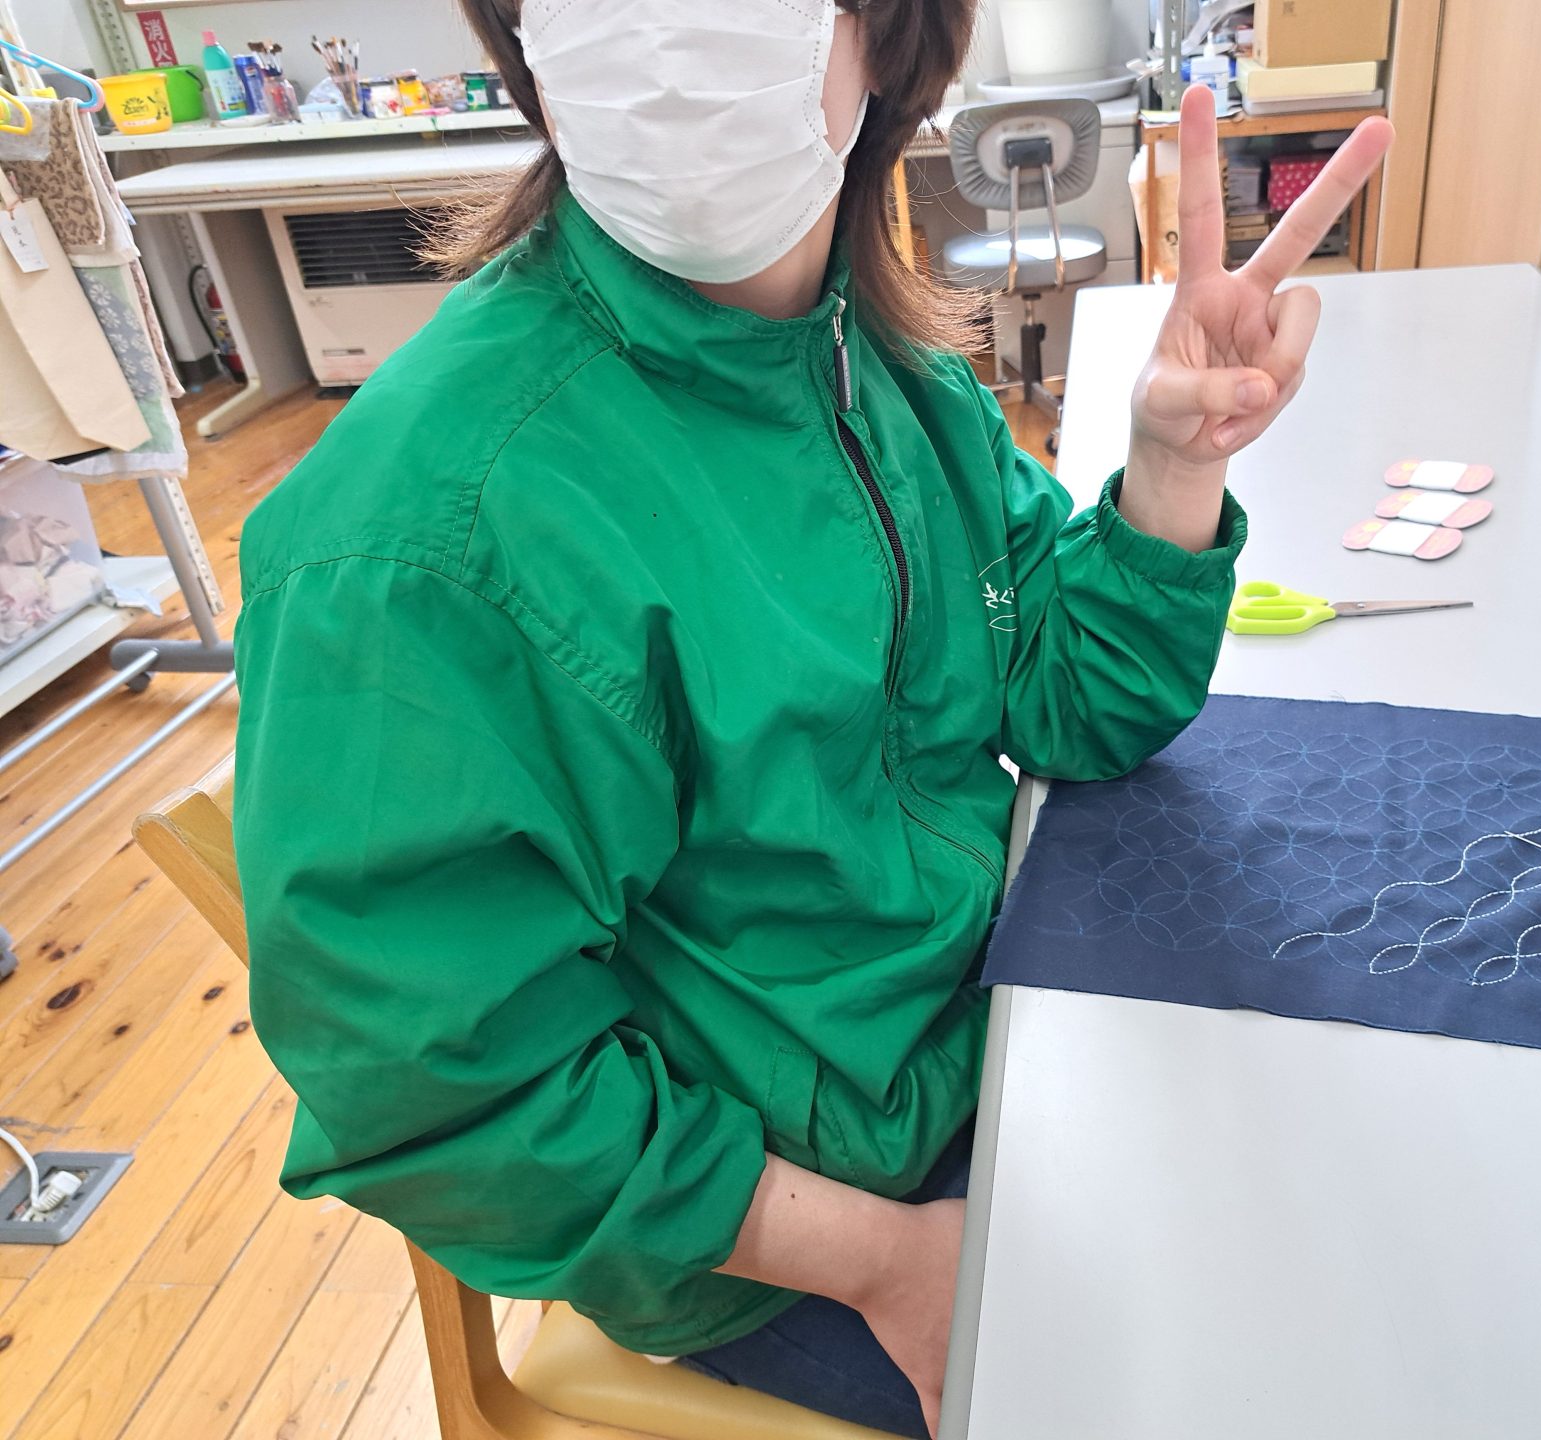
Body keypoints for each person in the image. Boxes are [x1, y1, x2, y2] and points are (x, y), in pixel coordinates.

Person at [231, 1, 1391, 1435]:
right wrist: (886, 1261)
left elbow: (1074, 695)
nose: (665, 35)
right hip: (780, 1228)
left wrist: (1172, 461)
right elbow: (440, 1092)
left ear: (886, 43)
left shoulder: (873, 363)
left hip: (989, 1037)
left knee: (1355, 1221)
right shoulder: (423, 538)